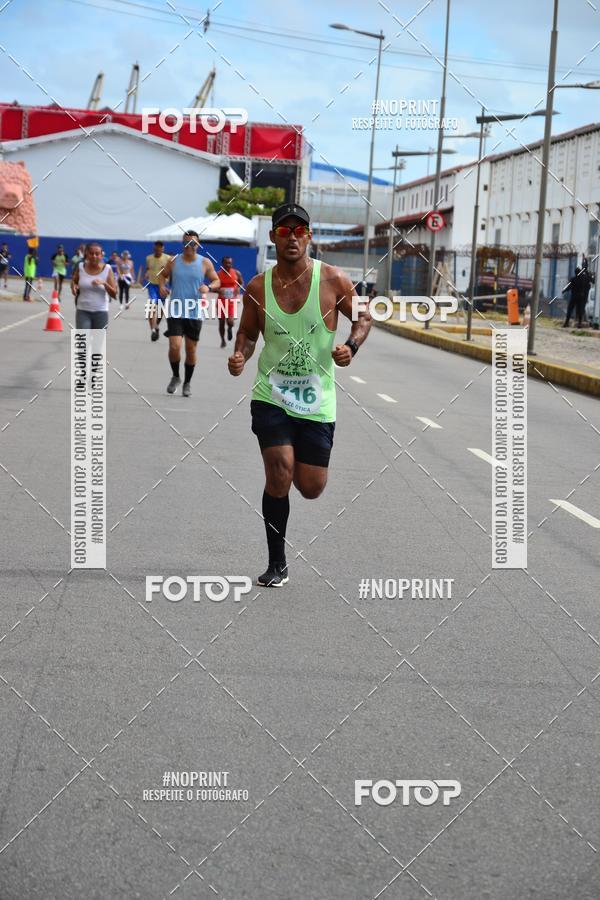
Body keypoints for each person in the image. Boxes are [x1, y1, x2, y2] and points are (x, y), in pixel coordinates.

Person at [228, 202, 371, 587]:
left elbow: (363, 316)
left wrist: (351, 347)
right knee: (279, 471)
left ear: (309, 236)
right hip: (271, 396)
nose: (292, 237)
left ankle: (291, 476)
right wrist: (240, 353)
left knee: (310, 487)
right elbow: (248, 331)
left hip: (316, 400)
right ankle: (277, 563)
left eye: (299, 231)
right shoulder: (258, 287)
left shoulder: (334, 280)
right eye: (284, 231)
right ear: (274, 236)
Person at [158, 230, 220, 397]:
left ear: (198, 245)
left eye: (192, 243)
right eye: (186, 243)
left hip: (194, 312)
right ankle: (176, 376)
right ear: (182, 244)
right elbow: (162, 276)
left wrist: (209, 287)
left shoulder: (205, 263)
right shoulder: (174, 261)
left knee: (191, 350)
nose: (189, 246)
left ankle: (187, 382)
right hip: (175, 310)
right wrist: (162, 286)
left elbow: (217, 280)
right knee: (174, 346)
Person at [71, 242, 117, 328]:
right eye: (91, 253)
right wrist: (73, 286)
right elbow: (74, 281)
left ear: (101, 255)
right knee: (81, 340)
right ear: (86, 254)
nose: (94, 256)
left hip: (101, 311)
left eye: (97, 254)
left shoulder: (107, 269)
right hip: (82, 310)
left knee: (98, 341)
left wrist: (104, 283)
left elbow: (114, 294)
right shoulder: (81, 267)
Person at [145, 240, 171, 341]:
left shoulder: (167, 258)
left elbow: (171, 273)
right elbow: (148, 268)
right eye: (156, 249)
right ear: (154, 249)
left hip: (164, 286)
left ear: (163, 249)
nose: (158, 251)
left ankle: (156, 326)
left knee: (160, 310)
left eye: (160, 249)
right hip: (152, 285)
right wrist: (147, 273)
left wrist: (169, 287)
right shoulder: (149, 258)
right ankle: (153, 330)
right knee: (152, 306)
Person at [217, 255, 244, 348]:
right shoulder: (218, 274)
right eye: (227, 263)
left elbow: (241, 282)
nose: (229, 265)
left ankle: (229, 328)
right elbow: (213, 287)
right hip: (221, 301)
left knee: (230, 321)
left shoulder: (236, 273)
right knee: (221, 322)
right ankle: (222, 340)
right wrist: (218, 290)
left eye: (230, 263)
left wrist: (238, 289)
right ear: (222, 264)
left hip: (232, 301)